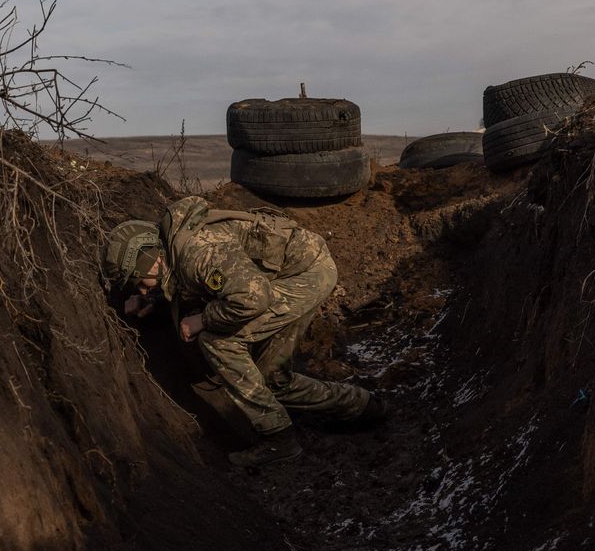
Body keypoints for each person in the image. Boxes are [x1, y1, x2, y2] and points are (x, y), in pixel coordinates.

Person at [102, 196, 384, 468]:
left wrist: (204, 320)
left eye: (139, 282)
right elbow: (190, 283)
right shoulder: (176, 249)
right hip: (294, 272)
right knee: (272, 380)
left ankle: (278, 438)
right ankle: (359, 405)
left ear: (151, 259)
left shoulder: (198, 252)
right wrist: (151, 300)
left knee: (218, 341)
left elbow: (252, 299)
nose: (141, 288)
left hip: (304, 275)